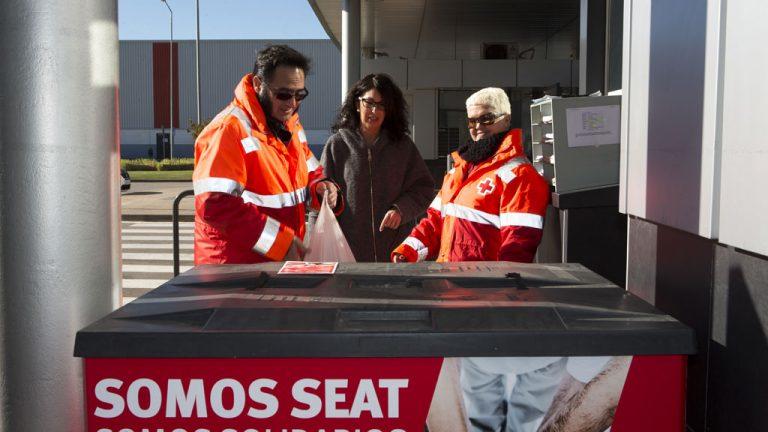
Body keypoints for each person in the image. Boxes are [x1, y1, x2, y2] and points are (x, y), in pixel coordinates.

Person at [192, 45, 340, 264]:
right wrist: (279, 242)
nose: (292, 104)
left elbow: (309, 171)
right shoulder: (229, 130)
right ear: (258, 84)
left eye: (300, 95)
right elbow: (213, 204)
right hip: (235, 269)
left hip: (273, 264)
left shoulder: (291, 127)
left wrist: (321, 187)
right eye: (283, 94)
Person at [391, 87, 549, 263]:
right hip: (449, 283)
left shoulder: (520, 176)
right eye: (472, 121)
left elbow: (518, 242)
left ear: (506, 119)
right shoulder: (458, 171)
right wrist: (407, 251)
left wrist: (504, 285)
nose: (478, 127)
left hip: (483, 287)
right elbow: (434, 223)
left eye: (486, 119)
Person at [319, 73, 434, 262]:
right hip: (348, 254)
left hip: (396, 254)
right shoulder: (337, 145)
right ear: (357, 104)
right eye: (369, 103)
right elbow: (320, 198)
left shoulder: (403, 146)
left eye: (382, 105)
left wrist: (401, 210)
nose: (374, 111)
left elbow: (424, 188)